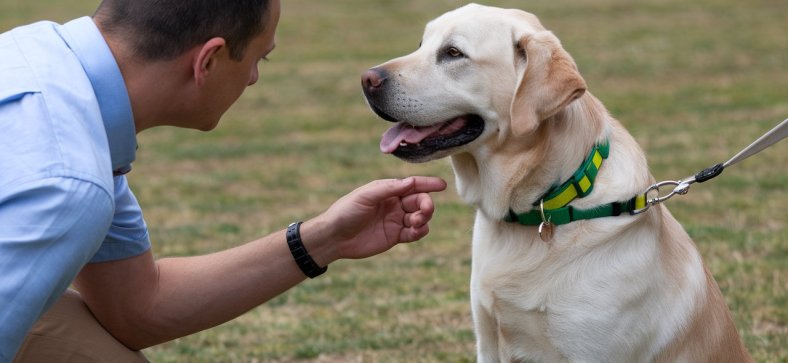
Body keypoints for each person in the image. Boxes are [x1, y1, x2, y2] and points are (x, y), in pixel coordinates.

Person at [0, 0, 447, 361]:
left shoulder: (38, 57)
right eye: (258, 59)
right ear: (209, 60)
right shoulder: (69, 181)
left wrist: (323, 238)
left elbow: (138, 308)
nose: (253, 78)